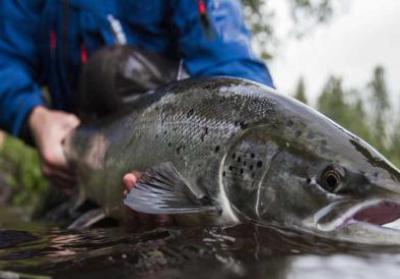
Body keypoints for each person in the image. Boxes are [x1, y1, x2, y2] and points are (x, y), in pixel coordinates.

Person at [0, 1, 274, 195]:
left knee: (113, 70)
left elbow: (231, 66)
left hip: (175, 148)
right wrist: (32, 116)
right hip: (76, 159)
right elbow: (6, 61)